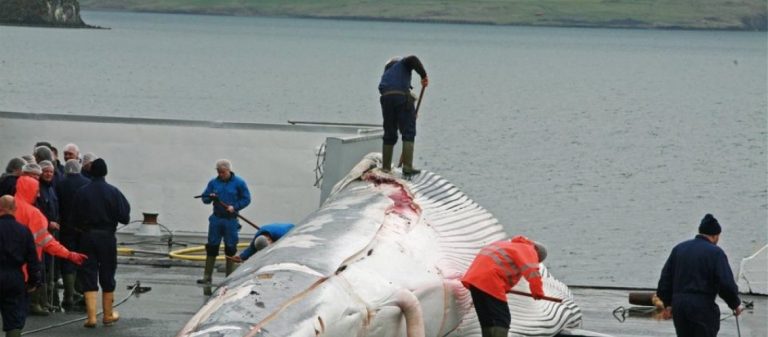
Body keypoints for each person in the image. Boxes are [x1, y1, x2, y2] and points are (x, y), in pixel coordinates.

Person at [656, 214, 743, 337]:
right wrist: (734, 304)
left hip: (680, 306)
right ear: (715, 235)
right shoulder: (716, 253)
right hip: (702, 307)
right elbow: (726, 284)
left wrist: (668, 304)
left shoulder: (679, 249)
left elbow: (665, 280)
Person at [13, 176, 87, 316]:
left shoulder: (6, 206)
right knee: (16, 318)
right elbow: (47, 243)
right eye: (36, 191)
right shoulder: (34, 214)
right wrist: (70, 254)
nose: (39, 194)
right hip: (26, 268)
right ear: (29, 190)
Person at [71, 158, 130, 327]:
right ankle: (108, 314)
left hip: (87, 237)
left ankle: (91, 317)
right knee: (107, 273)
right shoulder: (114, 192)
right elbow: (125, 217)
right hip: (107, 237)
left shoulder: (81, 192)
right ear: (105, 172)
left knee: (88, 273)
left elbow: (73, 218)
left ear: (90, 172)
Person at [461, 235, 547, 337]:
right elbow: (532, 271)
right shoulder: (529, 249)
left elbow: (500, 267)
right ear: (537, 254)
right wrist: (537, 291)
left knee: (487, 319)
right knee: (502, 319)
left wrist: (504, 288)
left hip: (474, 281)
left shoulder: (505, 245)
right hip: (490, 281)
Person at [199, 159, 251, 288]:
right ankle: (207, 276)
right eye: (218, 172)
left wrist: (235, 206)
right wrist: (209, 197)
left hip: (230, 220)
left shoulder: (239, 183)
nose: (220, 174)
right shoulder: (213, 182)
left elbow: (246, 199)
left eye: (222, 172)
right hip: (216, 219)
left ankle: (229, 277)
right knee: (212, 246)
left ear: (228, 170)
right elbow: (205, 198)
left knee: (230, 247)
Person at [378, 55, 428, 175]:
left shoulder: (387, 74)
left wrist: (409, 114)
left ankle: (385, 168)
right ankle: (407, 167)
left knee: (389, 132)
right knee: (408, 132)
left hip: (385, 99)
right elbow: (413, 59)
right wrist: (423, 76)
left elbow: (393, 93)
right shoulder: (403, 63)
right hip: (401, 97)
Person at [0, 195, 42, 337]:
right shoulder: (23, 231)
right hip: (14, 277)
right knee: (14, 318)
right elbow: (33, 260)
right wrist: (33, 281)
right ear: (15, 209)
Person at [55, 159, 91, 310]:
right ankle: (80, 289)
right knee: (81, 257)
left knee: (68, 259)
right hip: (83, 228)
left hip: (65, 227)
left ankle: (69, 295)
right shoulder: (87, 183)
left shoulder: (60, 184)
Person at [229, 223, 294, 263]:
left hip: (292, 230)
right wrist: (241, 257)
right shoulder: (259, 236)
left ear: (269, 240)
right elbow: (252, 248)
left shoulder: (282, 235)